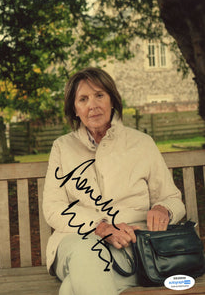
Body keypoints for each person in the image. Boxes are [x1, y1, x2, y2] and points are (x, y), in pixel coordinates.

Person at [43, 67, 186, 295]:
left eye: (99, 95)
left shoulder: (142, 143)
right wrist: (101, 227)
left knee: (70, 289)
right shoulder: (62, 148)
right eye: (83, 99)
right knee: (86, 253)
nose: (93, 105)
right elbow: (53, 208)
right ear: (74, 109)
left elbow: (172, 199)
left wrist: (163, 208)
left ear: (112, 99)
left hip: (133, 245)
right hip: (75, 240)